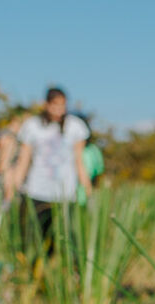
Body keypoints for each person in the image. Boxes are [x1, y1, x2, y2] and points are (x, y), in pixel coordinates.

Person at [8, 86, 92, 241]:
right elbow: (23, 160)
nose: (59, 110)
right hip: (37, 190)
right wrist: (15, 186)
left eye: (62, 105)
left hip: (66, 192)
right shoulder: (32, 126)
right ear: (46, 104)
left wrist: (87, 187)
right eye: (55, 105)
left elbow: (79, 160)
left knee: (64, 237)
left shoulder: (75, 126)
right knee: (35, 236)